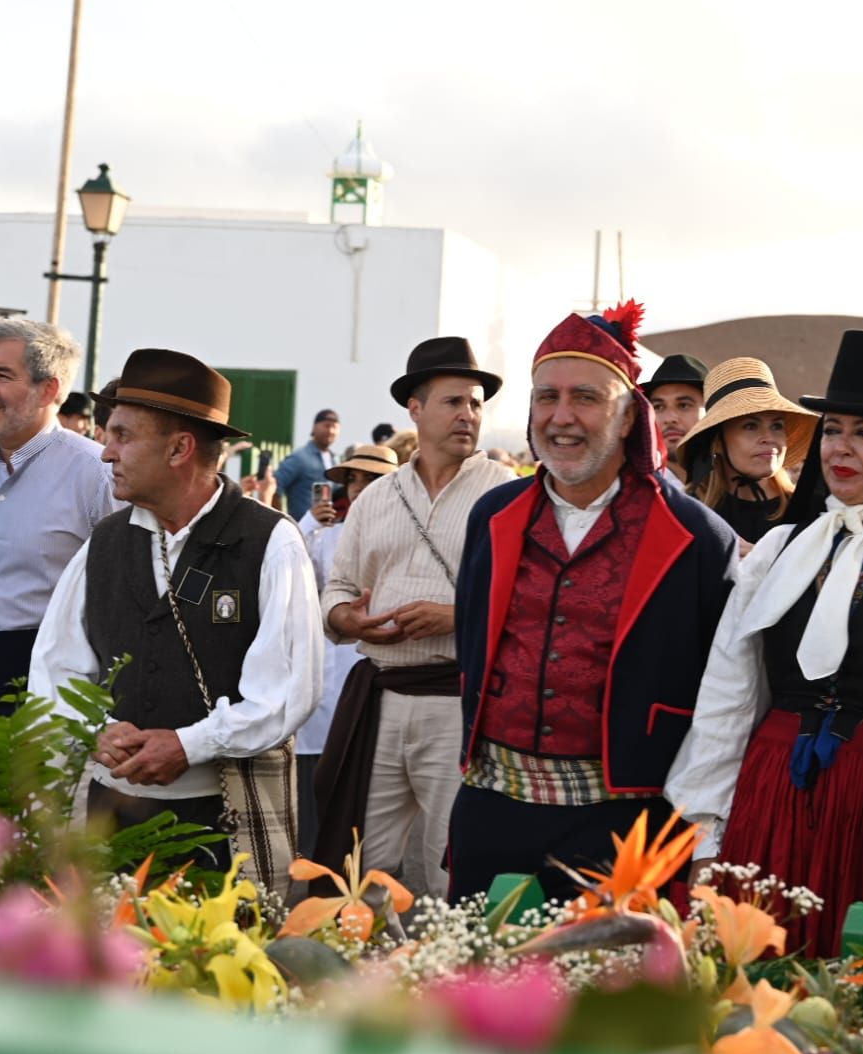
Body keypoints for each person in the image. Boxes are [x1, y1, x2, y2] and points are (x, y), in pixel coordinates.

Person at [666, 330, 863, 955]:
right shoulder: (783, 549)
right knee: (753, 976)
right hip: (773, 793)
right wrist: (707, 835)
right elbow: (729, 694)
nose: (840, 446)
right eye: (833, 428)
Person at [450, 301, 737, 901]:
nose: (561, 417)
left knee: (605, 991)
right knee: (476, 983)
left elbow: (722, 696)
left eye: (585, 397)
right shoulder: (492, 517)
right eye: (545, 397)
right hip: (490, 808)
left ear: (630, 416)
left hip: (624, 825)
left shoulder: (696, 538)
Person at [29, 349, 323, 891]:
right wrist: (95, 729)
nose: (105, 453)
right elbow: (54, 671)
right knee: (109, 967)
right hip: (109, 814)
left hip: (223, 820)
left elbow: (286, 692)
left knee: (218, 968)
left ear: (179, 448)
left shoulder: (271, 542)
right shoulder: (106, 543)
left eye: (121, 436)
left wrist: (190, 745)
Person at [312, 338, 511, 898]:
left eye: (475, 403)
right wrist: (349, 620)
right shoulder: (377, 497)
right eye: (453, 402)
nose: (467, 415)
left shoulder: (508, 493)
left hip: (460, 702)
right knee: (367, 863)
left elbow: (528, 598)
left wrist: (457, 616)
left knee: (449, 861)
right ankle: (363, 978)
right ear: (415, 409)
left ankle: (444, 980)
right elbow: (339, 589)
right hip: (382, 697)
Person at [0, 320, 115, 715]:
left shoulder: (96, 473)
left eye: (2, 375)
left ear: (49, 389)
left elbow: (125, 593)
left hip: (64, 702)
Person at [292, 443, 397, 857]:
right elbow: (292, 574)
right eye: (354, 479)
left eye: (369, 480)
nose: (358, 488)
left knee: (375, 769)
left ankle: (368, 855)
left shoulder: (404, 535)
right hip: (331, 665)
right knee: (321, 763)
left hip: (384, 664)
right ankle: (321, 853)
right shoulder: (325, 535)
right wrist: (306, 521)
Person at [678, 357, 817, 548]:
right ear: (717, 442)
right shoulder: (688, 513)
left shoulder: (808, 511)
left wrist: (760, 562)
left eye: (777, 425)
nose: (768, 437)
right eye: (750, 426)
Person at [639, 353, 709, 483]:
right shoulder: (636, 493)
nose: (670, 419)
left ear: (712, 412)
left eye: (683, 405)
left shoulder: (742, 487)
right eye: (658, 407)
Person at [275, 409, 341, 521]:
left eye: (335, 427)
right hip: (302, 530)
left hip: (327, 532)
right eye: (326, 425)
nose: (330, 430)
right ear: (314, 428)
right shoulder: (299, 458)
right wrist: (281, 522)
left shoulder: (336, 459)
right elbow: (275, 487)